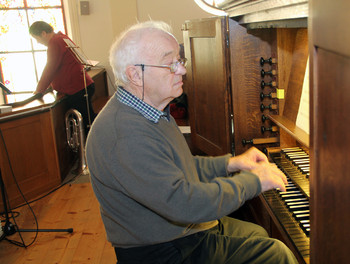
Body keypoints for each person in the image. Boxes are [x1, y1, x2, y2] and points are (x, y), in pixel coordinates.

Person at [85, 21, 298, 264]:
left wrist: (231, 164)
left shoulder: (151, 110)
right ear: (135, 74)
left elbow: (179, 167)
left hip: (178, 232)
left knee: (257, 233)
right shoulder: (124, 135)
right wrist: (253, 182)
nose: (182, 71)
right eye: (170, 64)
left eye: (180, 61)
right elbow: (184, 203)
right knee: (275, 255)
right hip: (161, 250)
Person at [29, 21, 97, 134]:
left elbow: (50, 68)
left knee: (86, 127)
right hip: (82, 86)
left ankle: (91, 150)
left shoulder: (55, 42)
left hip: (76, 89)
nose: (38, 42)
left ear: (43, 33)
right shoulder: (61, 37)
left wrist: (39, 90)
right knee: (87, 123)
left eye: (37, 38)